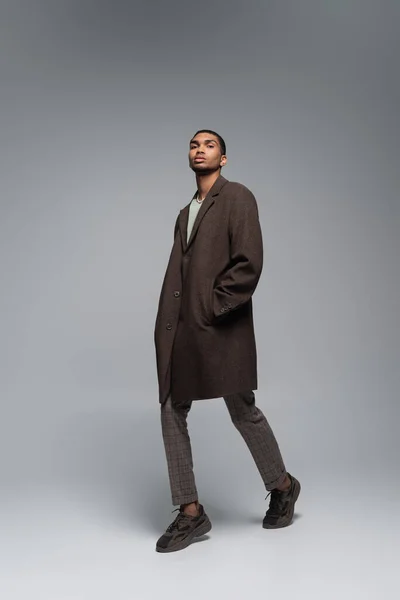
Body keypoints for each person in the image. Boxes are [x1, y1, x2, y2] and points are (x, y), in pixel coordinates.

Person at [153, 129, 300, 553]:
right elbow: (178, 274)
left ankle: (284, 486)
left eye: (209, 145)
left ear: (224, 158)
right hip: (184, 329)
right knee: (170, 406)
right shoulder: (185, 212)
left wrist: (212, 307)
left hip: (221, 326)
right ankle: (191, 512)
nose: (200, 150)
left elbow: (249, 261)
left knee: (242, 410)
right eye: (194, 145)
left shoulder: (237, 197)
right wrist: (170, 321)